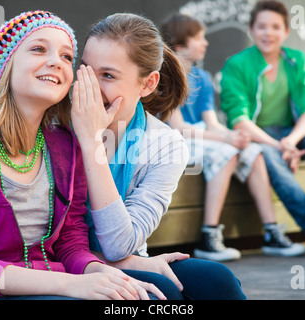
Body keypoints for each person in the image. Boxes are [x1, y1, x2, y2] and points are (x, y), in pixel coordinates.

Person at [0, 10, 166, 300]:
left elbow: (71, 245)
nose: (55, 62)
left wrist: (98, 271)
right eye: (38, 49)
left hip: (55, 283)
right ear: (6, 64)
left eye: (67, 57)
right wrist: (71, 284)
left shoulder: (64, 145)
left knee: (156, 295)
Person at [70, 13, 246, 300]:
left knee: (218, 281)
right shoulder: (57, 124)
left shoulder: (165, 145)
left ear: (148, 84)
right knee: (159, 295)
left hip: (120, 256)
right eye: (86, 69)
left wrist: (128, 261)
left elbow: (118, 245)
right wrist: (90, 140)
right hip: (59, 263)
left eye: (108, 75)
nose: (90, 86)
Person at [160, 13, 305, 261]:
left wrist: (234, 135)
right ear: (180, 45)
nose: (205, 43)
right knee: (227, 152)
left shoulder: (203, 78)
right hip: (173, 141)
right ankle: (209, 236)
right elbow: (180, 129)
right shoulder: (165, 76)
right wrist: (226, 141)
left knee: (253, 151)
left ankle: (271, 231)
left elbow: (212, 124)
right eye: (199, 38)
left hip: (201, 136)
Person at [220, 0, 305, 255]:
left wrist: (291, 141)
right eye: (261, 26)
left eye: (275, 27)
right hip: (256, 137)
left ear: (286, 31)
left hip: (289, 133)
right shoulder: (236, 64)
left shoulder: (298, 60)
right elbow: (239, 120)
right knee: (269, 154)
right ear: (251, 29)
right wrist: (279, 145)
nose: (268, 33)